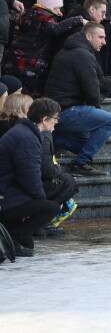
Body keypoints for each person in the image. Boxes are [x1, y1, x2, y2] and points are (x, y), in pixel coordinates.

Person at [44, 23, 111, 177]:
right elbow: (92, 90)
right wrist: (96, 112)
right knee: (110, 120)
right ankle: (82, 163)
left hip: (57, 112)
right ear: (88, 36)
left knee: (88, 143)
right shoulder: (82, 54)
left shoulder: (71, 50)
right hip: (64, 111)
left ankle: (55, 138)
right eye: (101, 37)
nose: (104, 42)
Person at [0, 97, 62, 257]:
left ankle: (15, 236)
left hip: (8, 191)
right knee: (51, 208)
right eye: (55, 118)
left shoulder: (24, 132)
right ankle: (13, 236)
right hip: (5, 196)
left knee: (29, 244)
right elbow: (29, 176)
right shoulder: (27, 138)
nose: (57, 122)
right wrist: (37, 202)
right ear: (44, 119)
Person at [2, 0, 86, 97]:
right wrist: (78, 20)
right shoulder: (45, 17)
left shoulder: (26, 15)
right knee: (29, 101)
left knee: (12, 99)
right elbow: (55, 29)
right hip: (31, 69)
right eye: (58, 8)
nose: (60, 13)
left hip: (12, 64)